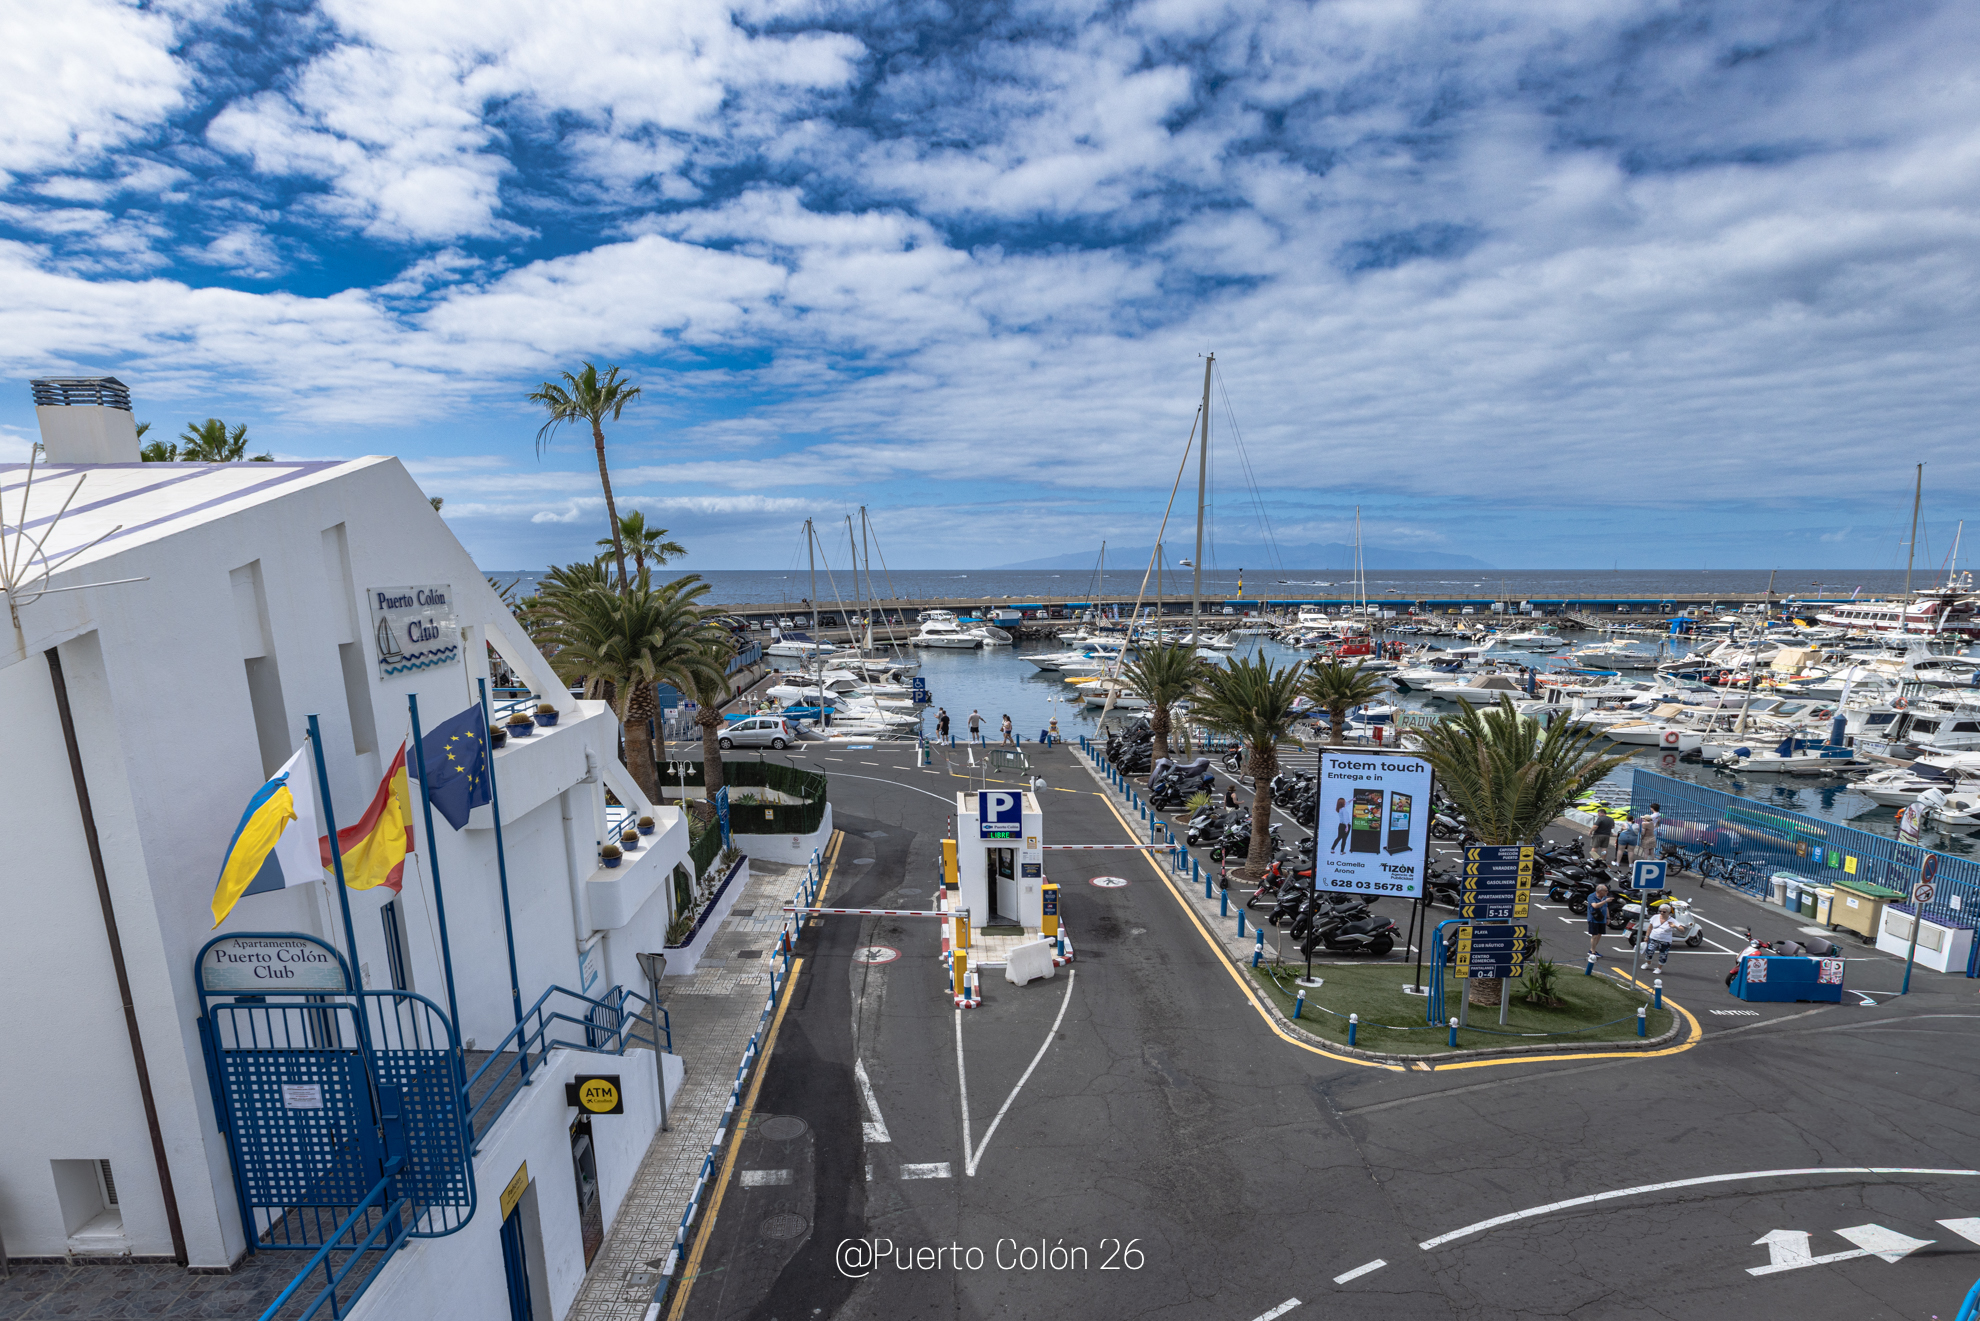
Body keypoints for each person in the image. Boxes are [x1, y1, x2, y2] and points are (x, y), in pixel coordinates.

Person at [1644, 902, 1677, 968]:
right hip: (1653, 938)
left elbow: (1682, 929)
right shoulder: (1655, 917)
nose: (1662, 913)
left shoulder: (1672, 920)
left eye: (1664, 912)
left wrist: (1675, 926)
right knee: (1649, 951)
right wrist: (1647, 936)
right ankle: (1648, 963)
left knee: (1663, 954)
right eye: (1660, 911)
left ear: (1668, 912)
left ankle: (1659, 968)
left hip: (1665, 940)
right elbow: (1650, 927)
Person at [1588, 883, 1616, 956]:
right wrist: (1605, 901)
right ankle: (1593, 952)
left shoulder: (1604, 897)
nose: (1607, 892)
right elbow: (1595, 906)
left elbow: (1606, 908)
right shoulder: (1592, 896)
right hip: (1594, 919)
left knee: (1599, 934)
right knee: (1594, 935)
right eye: (1606, 891)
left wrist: (1608, 918)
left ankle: (1592, 949)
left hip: (1602, 919)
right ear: (1600, 891)